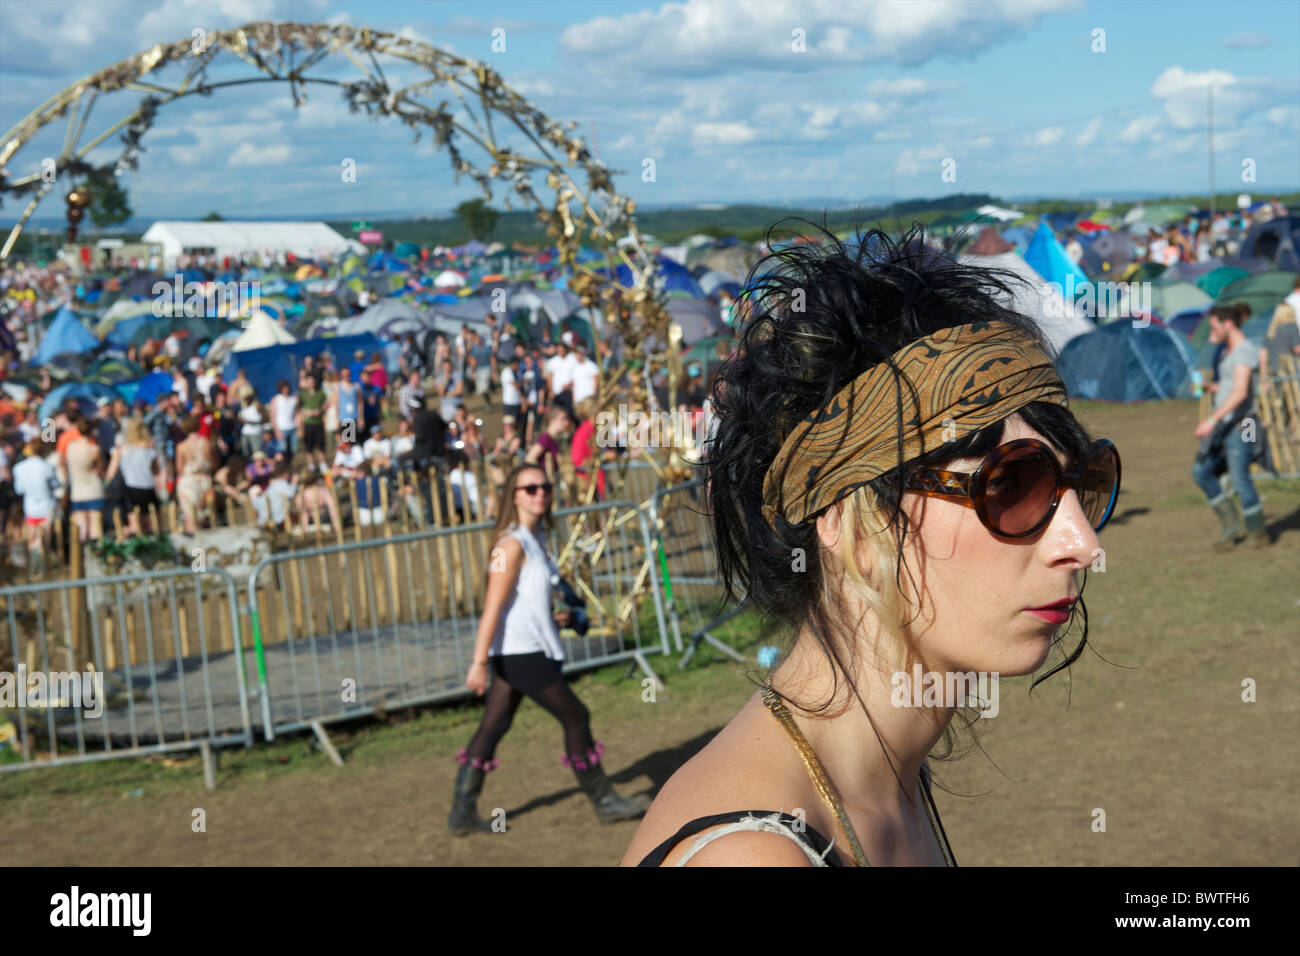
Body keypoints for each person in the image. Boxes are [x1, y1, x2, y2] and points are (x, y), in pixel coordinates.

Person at [622, 226, 1122, 867]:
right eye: (1012, 486)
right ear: (846, 520)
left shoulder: (887, 782)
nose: (1082, 543)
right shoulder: (755, 857)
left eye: (1087, 481)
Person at [448, 463, 649, 835]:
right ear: (513, 496)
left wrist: (556, 616)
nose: (539, 493)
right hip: (520, 653)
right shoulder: (509, 545)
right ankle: (604, 801)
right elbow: (492, 605)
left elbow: (524, 601)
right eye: (529, 488)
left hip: (526, 647)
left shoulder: (534, 540)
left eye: (544, 486)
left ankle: (461, 813)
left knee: (494, 724)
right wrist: (478, 662)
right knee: (576, 716)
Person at [1192, 304, 1268, 549]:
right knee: (1201, 471)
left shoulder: (1244, 350)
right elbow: (1229, 387)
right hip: (1225, 423)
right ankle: (1233, 525)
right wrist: (1212, 388)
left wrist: (1212, 419)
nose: (1211, 331)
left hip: (1242, 424)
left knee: (1239, 477)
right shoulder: (1228, 351)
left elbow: (1240, 392)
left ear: (1228, 324)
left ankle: (1258, 534)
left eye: (1215, 326)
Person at [12, 439, 59, 574]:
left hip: (30, 507)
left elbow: (19, 489)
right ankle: (43, 569)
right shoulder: (47, 466)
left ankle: (35, 569)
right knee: (45, 540)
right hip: (46, 507)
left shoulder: (19, 468)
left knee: (32, 539)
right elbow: (55, 485)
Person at [175, 416, 214, 535]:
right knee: (207, 516)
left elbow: (180, 469)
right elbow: (213, 463)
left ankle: (195, 550)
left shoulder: (181, 446)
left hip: (188, 482)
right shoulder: (206, 442)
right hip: (204, 480)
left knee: (191, 517)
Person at [298, 373, 328, 471]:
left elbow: (327, 404)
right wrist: (306, 412)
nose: (312, 383)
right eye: (309, 381)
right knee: (309, 447)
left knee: (320, 445)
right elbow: (298, 408)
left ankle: (322, 464)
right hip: (307, 424)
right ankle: (311, 465)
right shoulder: (302, 394)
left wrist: (320, 411)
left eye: (313, 381)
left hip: (318, 423)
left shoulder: (320, 393)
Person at [270, 380, 299, 461]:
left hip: (292, 428)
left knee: (294, 450)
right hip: (281, 429)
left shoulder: (293, 399)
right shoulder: (276, 399)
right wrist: (276, 430)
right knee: (283, 450)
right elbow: (272, 417)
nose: (286, 389)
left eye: (287, 387)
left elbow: (297, 414)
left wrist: (299, 428)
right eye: (284, 387)